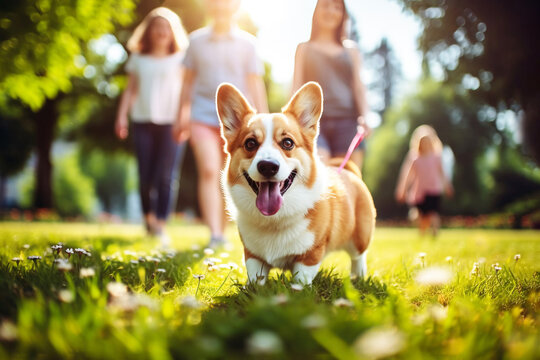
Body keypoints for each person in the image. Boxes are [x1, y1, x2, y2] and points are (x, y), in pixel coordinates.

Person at [173, 0, 268, 248]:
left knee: (234, 174)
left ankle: (230, 229)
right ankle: (216, 234)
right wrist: (180, 116)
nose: (220, 5)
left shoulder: (248, 43)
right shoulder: (196, 42)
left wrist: (266, 122)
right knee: (209, 170)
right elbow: (187, 83)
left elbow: (255, 83)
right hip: (201, 116)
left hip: (240, 124)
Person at [115, 7, 188, 246]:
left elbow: (187, 93)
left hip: (171, 123)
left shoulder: (181, 59)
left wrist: (183, 118)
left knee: (166, 176)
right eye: (157, 27)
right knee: (145, 175)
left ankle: (161, 225)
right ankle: (149, 220)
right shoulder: (138, 58)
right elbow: (130, 90)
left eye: (166, 27)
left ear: (173, 32)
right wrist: (121, 117)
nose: (161, 31)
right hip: (142, 121)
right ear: (148, 31)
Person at [292, 0, 370, 168]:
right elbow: (296, 87)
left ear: (343, 14)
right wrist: (290, 120)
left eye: (337, 7)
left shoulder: (351, 51)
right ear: (316, 10)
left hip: (348, 123)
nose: (331, 11)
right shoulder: (304, 48)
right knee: (322, 178)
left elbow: (359, 87)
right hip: (313, 123)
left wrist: (365, 116)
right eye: (326, 5)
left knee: (348, 182)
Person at [395, 125, 454, 236]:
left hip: (434, 190)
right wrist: (403, 190)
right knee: (423, 216)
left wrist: (447, 186)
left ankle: (435, 233)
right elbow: (408, 176)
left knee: (433, 213)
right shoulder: (415, 159)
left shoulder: (437, 157)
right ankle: (422, 233)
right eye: (423, 143)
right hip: (420, 191)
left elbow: (442, 173)